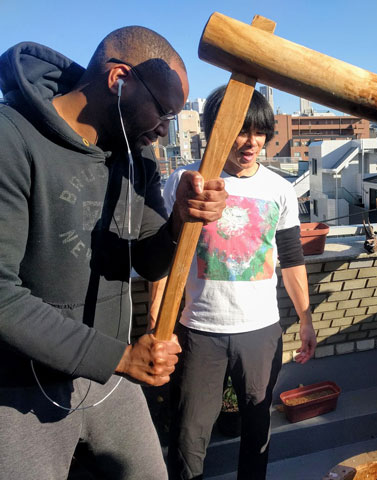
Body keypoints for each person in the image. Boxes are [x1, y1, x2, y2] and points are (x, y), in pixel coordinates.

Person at [0, 27, 227, 480]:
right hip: (20, 386)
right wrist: (121, 358)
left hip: (110, 376)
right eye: (163, 112)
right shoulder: (11, 139)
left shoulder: (134, 157)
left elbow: (148, 259)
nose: (165, 128)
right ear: (118, 78)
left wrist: (182, 220)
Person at [149, 86, 317, 480]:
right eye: (242, 131)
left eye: (260, 132)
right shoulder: (183, 181)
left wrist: (306, 320)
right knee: (189, 433)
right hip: (198, 331)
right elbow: (163, 256)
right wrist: (157, 320)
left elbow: (291, 260)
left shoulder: (279, 189)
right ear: (215, 131)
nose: (252, 142)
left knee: (257, 428)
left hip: (260, 332)